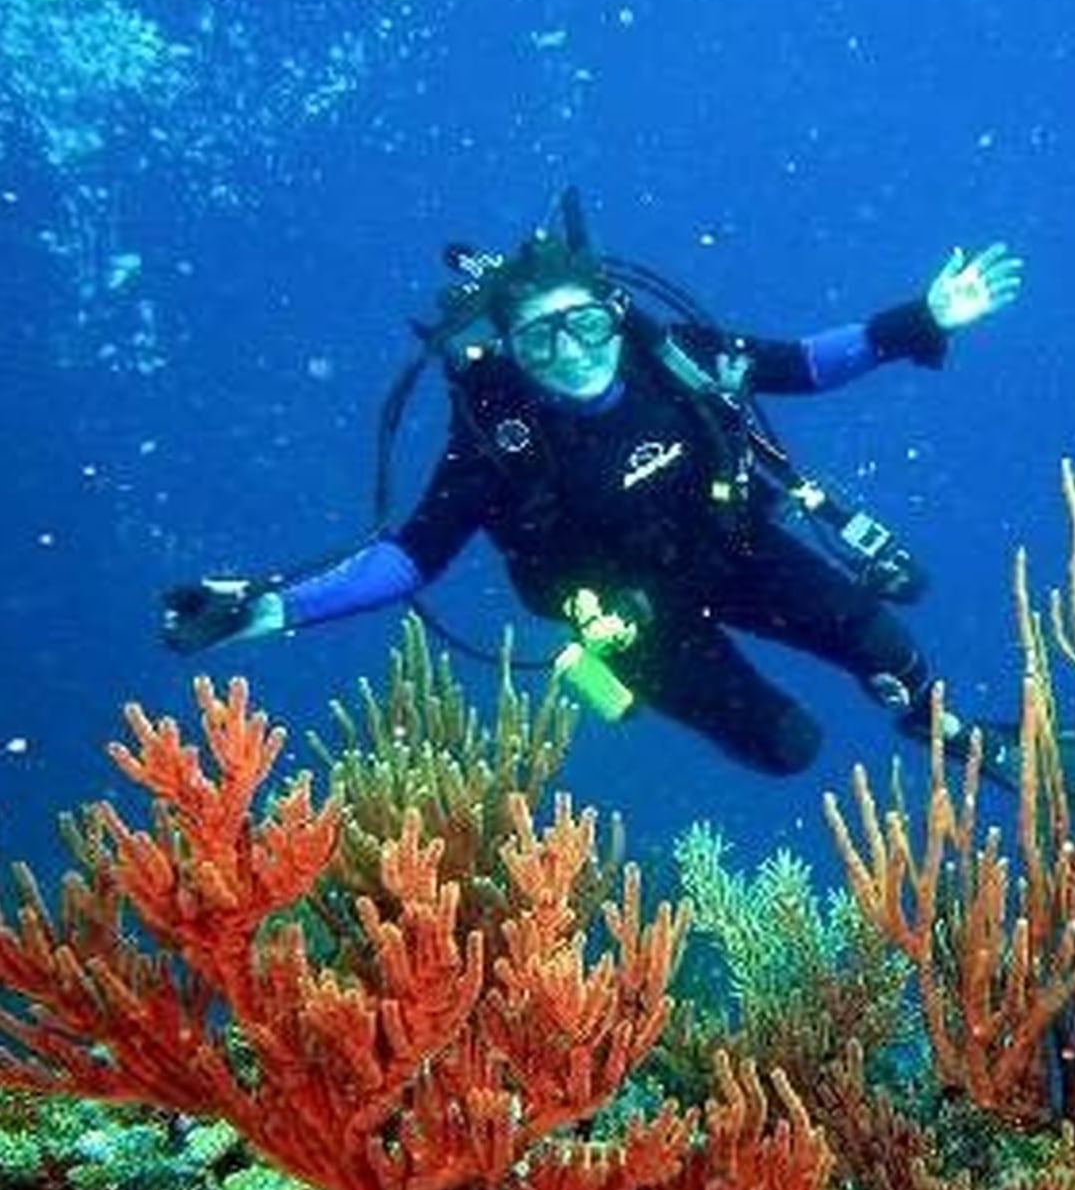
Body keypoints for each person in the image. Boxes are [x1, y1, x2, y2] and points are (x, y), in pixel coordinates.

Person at [160, 201, 1023, 780]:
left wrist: (921, 318)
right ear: (509, 351)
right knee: (787, 746)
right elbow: (408, 557)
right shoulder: (495, 438)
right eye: (539, 340)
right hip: (629, 620)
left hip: (736, 553)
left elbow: (797, 363)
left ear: (613, 312)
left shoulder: (670, 355)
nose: (569, 351)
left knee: (885, 643)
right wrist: (273, 606)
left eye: (583, 323)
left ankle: (941, 732)